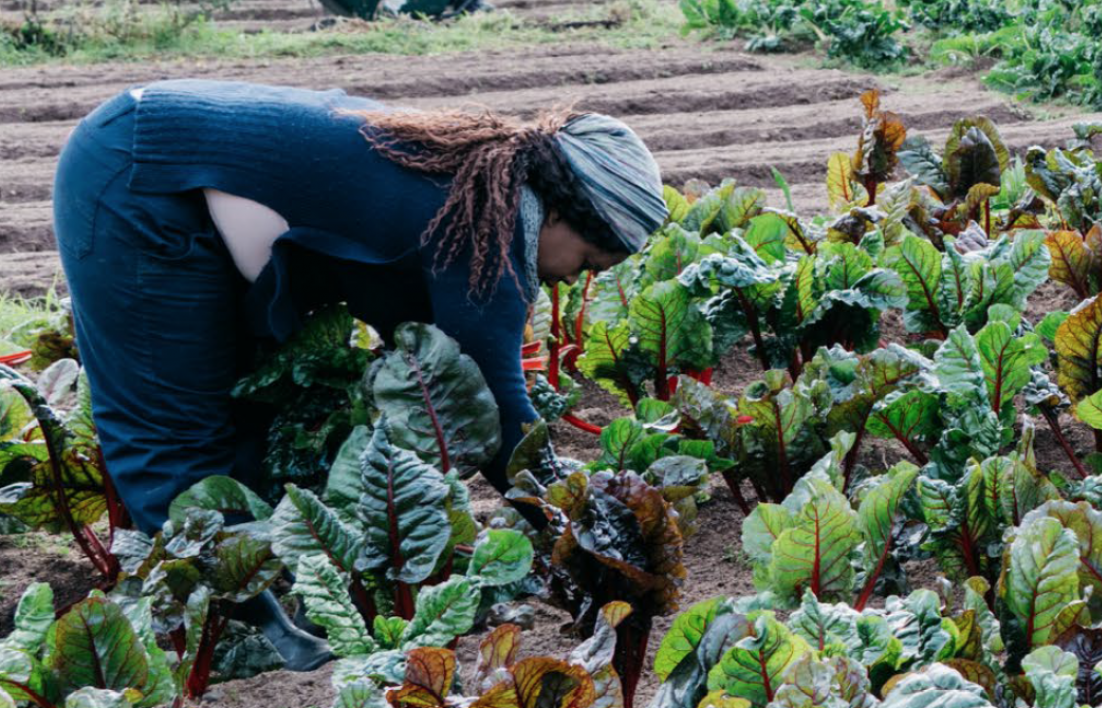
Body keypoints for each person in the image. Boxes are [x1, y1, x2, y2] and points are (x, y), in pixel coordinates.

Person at [50, 79, 667, 670]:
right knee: (171, 424)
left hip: (162, 151)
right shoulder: (488, 225)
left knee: (239, 409)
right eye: (589, 261)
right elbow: (501, 414)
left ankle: (251, 592)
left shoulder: (482, 190)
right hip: (139, 176)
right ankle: (247, 623)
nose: (578, 280)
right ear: (559, 208)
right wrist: (587, 541)